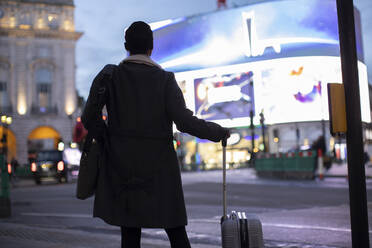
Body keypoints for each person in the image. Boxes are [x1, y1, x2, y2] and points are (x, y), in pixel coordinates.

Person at [82, 21, 230, 248]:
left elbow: (88, 117)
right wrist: (217, 132)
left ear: (126, 46)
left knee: (130, 233)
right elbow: (184, 122)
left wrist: (108, 138)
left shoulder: (111, 77)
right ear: (152, 48)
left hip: (122, 166)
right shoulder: (165, 80)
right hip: (161, 168)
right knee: (176, 231)